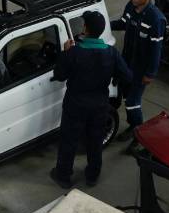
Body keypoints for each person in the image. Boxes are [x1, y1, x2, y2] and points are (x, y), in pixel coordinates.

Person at [50, 11, 132, 188]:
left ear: (85, 29)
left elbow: (59, 75)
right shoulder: (111, 53)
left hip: (75, 105)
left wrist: (65, 53)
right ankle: (92, 176)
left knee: (69, 141)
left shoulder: (74, 52)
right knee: (95, 141)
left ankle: (63, 176)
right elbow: (127, 75)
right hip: (99, 105)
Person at [111, 0, 165, 141]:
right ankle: (133, 126)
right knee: (126, 95)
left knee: (133, 102)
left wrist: (150, 73)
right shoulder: (131, 7)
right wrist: (104, 25)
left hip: (141, 69)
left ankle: (139, 136)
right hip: (126, 62)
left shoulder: (156, 19)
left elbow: (156, 49)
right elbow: (122, 23)